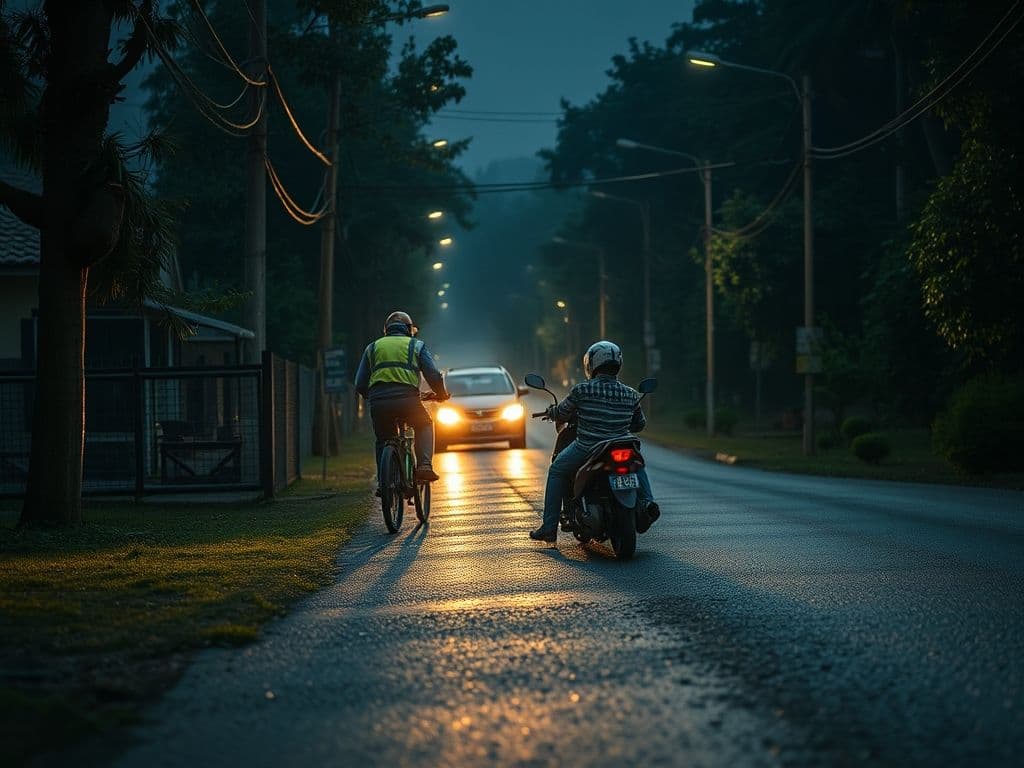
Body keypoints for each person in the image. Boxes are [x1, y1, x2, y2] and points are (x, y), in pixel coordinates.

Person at [530, 340, 659, 542]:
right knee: (637, 463)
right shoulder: (631, 394)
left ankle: (548, 527)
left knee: (556, 470)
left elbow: (563, 412)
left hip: (588, 446)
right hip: (623, 444)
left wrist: (551, 413)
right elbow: (639, 424)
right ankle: (648, 503)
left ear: (592, 364)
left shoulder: (582, 390)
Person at [354, 310, 449, 483]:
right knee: (424, 424)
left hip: (379, 402)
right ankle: (425, 466)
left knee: (383, 439)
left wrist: (374, 397)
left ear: (386, 330)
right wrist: (441, 394)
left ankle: (384, 483)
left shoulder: (372, 347)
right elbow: (433, 376)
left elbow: (360, 384)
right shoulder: (416, 345)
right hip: (408, 400)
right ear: (408, 329)